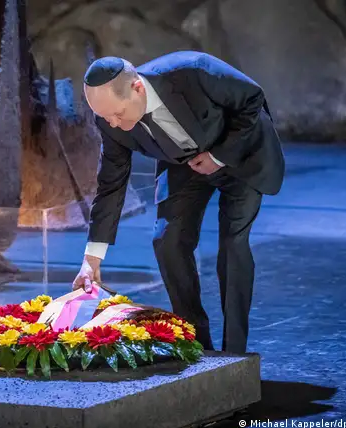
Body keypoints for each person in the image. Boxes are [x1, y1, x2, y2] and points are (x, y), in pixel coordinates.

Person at [72, 51, 285, 354]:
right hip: (183, 162)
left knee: (232, 244)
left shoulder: (191, 71)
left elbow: (252, 99)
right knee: (167, 241)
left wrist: (219, 156)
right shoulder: (110, 118)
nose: (113, 124)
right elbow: (111, 184)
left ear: (137, 88)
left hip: (238, 155)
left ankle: (235, 353)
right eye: (105, 117)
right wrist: (91, 260)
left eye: (117, 114)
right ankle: (198, 345)